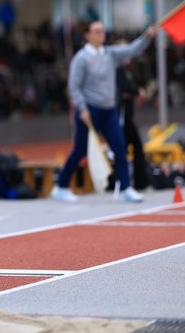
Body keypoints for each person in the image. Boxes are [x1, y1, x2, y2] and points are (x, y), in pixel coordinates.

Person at [52, 21, 155, 203]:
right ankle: (61, 186)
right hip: (90, 111)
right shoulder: (81, 58)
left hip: (109, 110)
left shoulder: (110, 54)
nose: (100, 34)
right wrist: (82, 108)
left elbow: (132, 50)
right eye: (96, 31)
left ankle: (125, 188)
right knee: (80, 150)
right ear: (87, 35)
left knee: (120, 146)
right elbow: (74, 87)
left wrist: (147, 36)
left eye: (102, 31)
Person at [116, 56, 149, 190]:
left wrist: (132, 92)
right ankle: (127, 182)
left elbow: (127, 90)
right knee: (127, 148)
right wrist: (137, 92)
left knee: (128, 148)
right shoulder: (118, 70)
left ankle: (133, 181)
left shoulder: (126, 71)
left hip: (127, 115)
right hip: (122, 117)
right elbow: (124, 90)